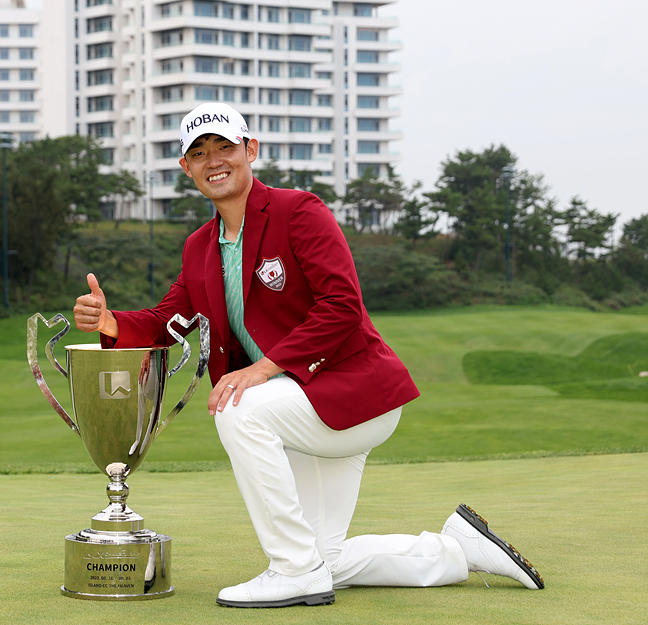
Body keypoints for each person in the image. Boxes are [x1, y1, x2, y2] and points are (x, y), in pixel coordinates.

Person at [74, 102, 544, 608]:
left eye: (225, 147)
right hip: (299, 410)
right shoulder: (199, 248)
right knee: (329, 559)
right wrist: (111, 320)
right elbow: (171, 321)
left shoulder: (299, 211)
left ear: (250, 150)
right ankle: (456, 551)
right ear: (186, 169)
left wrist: (262, 369)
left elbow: (342, 306)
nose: (214, 160)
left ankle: (293, 570)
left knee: (237, 406)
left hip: (354, 397)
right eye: (199, 152)